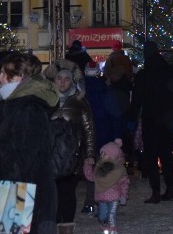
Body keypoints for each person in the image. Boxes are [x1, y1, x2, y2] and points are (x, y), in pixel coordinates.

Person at [0, 52, 58, 234]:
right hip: (20, 195)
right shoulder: (17, 106)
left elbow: (23, 159)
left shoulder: (27, 109)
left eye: (4, 73)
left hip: (24, 199)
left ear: (19, 77)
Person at [44, 59, 97, 231]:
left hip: (72, 157)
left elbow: (89, 129)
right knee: (53, 194)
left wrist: (89, 154)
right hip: (50, 155)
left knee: (67, 193)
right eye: (59, 78)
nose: (62, 82)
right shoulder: (46, 101)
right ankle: (55, 223)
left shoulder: (79, 102)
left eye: (66, 79)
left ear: (72, 81)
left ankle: (65, 227)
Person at [130, 40, 173, 203]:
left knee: (151, 156)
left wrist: (132, 119)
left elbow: (137, 100)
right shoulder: (170, 72)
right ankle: (170, 188)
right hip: (167, 120)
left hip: (150, 119)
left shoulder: (143, 75)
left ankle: (156, 191)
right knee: (166, 154)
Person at [81, 60, 112, 215]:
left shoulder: (81, 90)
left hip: (87, 135)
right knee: (103, 169)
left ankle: (89, 201)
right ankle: (103, 202)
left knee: (89, 170)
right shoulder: (105, 89)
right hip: (103, 133)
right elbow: (112, 112)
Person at [83, 138, 130, 234]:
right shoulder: (99, 167)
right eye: (102, 153)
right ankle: (104, 225)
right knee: (102, 216)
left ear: (112, 156)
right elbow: (92, 177)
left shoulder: (119, 169)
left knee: (111, 214)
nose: (102, 155)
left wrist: (123, 195)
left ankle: (113, 229)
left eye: (105, 153)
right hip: (101, 196)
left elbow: (124, 182)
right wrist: (87, 166)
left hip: (114, 196)